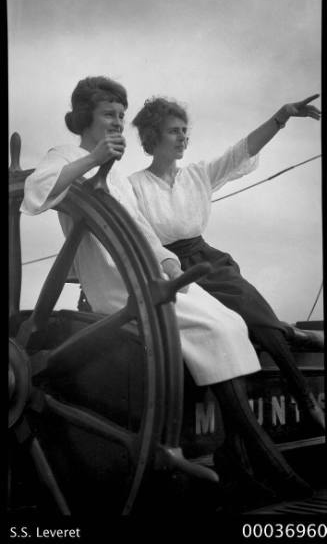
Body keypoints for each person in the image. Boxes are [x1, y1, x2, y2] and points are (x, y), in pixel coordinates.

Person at [21, 76, 312, 506]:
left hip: (150, 272)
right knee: (216, 331)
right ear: (85, 118)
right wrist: (92, 159)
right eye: (109, 115)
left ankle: (239, 465)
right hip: (117, 286)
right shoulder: (63, 156)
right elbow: (37, 194)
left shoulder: (118, 174)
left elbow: (141, 230)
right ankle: (268, 464)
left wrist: (168, 260)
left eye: (122, 115)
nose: (118, 122)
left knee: (231, 323)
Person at [129, 94, 325, 433]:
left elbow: (241, 152)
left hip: (208, 262)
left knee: (262, 324)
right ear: (152, 137)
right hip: (171, 273)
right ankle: (292, 334)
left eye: (185, 131)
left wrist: (280, 117)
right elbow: (140, 238)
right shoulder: (134, 186)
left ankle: (305, 399)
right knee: (228, 332)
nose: (183, 138)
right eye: (174, 131)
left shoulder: (197, 175)